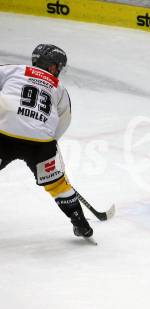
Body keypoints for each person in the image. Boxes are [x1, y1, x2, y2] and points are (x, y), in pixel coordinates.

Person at [0, 44, 93, 238]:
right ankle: (81, 223)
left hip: (4, 134)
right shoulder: (59, 88)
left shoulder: (13, 70)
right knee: (57, 185)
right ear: (52, 67)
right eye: (58, 67)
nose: (58, 71)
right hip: (40, 143)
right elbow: (64, 121)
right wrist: (48, 144)